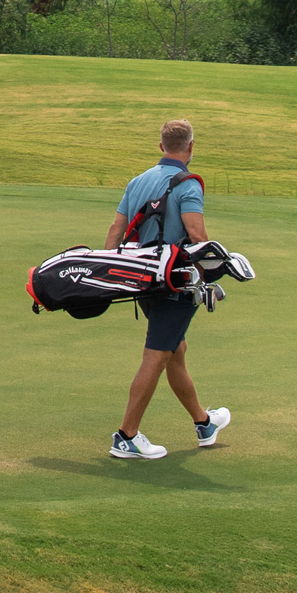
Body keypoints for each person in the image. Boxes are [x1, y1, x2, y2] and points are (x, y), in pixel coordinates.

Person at [103, 118, 231, 460]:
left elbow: (116, 231)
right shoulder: (188, 184)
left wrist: (113, 274)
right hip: (177, 284)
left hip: (144, 281)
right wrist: (209, 276)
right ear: (190, 147)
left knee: (176, 350)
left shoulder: (138, 181)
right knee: (157, 354)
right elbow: (197, 235)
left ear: (161, 146)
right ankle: (126, 435)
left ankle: (204, 422)